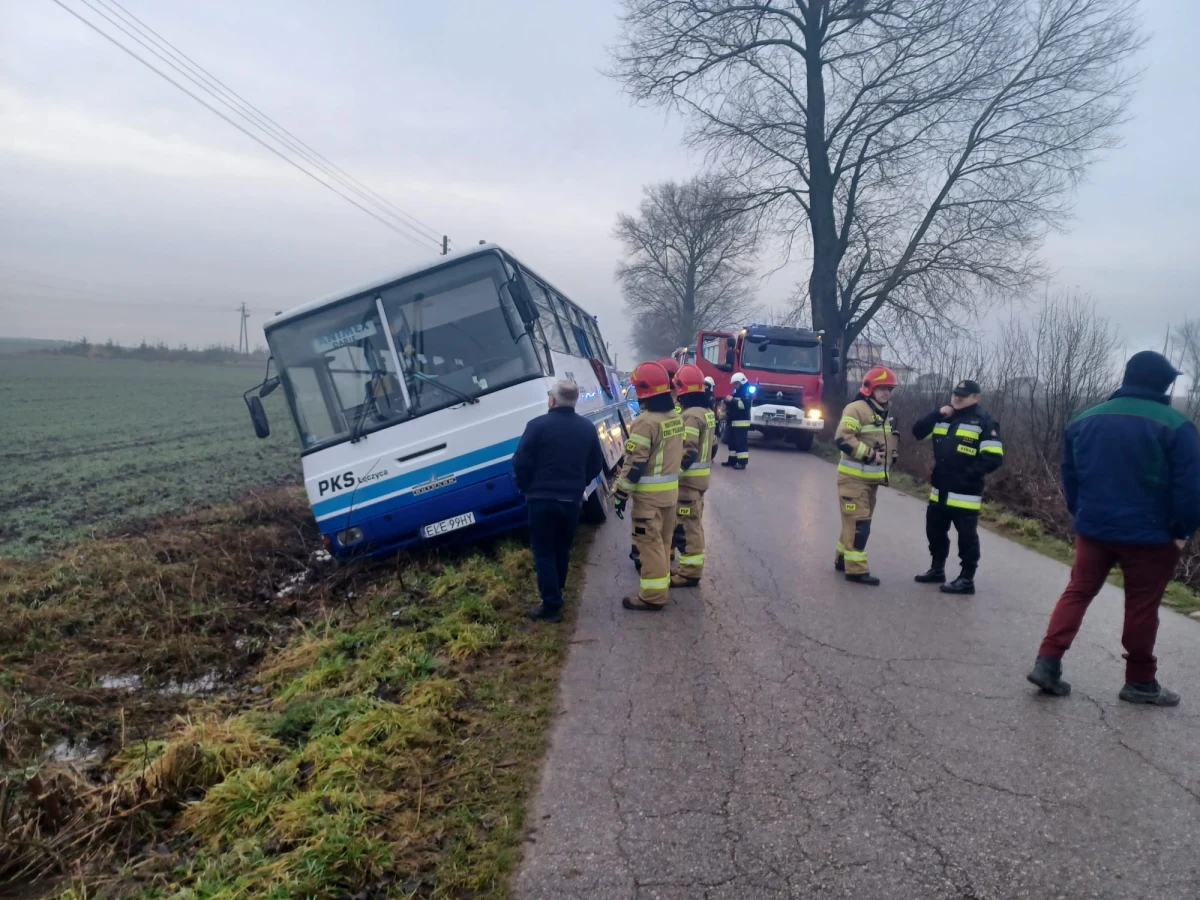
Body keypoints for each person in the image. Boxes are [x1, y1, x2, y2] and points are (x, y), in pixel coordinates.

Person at [1027, 351, 1199, 705]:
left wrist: (1081, 513)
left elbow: (1070, 475)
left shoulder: (1083, 419)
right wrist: (1182, 530)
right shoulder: (1176, 425)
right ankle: (1139, 682)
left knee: (1078, 591)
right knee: (1141, 606)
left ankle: (1048, 662)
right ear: (1164, 383)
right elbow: (1190, 487)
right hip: (1151, 535)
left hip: (1093, 528)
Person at [511, 379, 605, 623]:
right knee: (562, 548)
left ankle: (551, 605)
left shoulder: (536, 426)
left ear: (551, 400)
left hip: (540, 499)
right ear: (573, 400)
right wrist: (579, 483)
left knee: (543, 550)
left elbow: (520, 461)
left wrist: (525, 485)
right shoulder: (587, 428)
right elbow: (596, 464)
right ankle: (557, 591)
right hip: (570, 500)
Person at [911, 379, 1004, 595]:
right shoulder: (944, 418)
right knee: (934, 531)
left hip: (965, 493)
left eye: (964, 395)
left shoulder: (984, 422)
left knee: (967, 537)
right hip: (940, 489)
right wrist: (937, 413)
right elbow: (918, 432)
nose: (958, 397)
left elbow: (993, 458)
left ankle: (966, 579)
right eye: (956, 394)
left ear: (976, 398)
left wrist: (966, 476)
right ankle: (937, 569)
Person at [613, 361, 684, 611]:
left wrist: (621, 493)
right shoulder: (675, 417)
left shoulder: (645, 422)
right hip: (669, 495)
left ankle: (652, 597)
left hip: (649, 500)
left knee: (649, 545)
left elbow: (635, 463)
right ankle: (660, 585)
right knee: (663, 543)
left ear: (644, 391)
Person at [833, 366, 899, 585]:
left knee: (854, 522)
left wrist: (892, 454)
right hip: (853, 479)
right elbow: (843, 438)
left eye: (889, 389)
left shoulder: (885, 413)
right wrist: (870, 455)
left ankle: (843, 558)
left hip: (871, 481)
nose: (886, 393)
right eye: (882, 388)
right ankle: (856, 570)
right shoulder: (856, 409)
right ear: (869, 388)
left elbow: (887, 440)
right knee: (859, 524)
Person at [671, 364, 717, 587]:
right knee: (694, 524)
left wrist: (672, 474)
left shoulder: (690, 416)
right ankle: (689, 569)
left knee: (688, 527)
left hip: (687, 482)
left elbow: (687, 451)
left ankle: (689, 572)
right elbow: (713, 446)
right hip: (700, 481)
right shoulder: (707, 413)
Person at [721, 372, 752, 469]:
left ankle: (742, 462)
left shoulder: (746, 392)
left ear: (741, 382)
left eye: (736, 383)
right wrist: (727, 401)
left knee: (741, 443)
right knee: (732, 443)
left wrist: (731, 400)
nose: (735, 386)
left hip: (741, 423)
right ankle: (732, 461)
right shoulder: (737, 391)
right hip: (733, 422)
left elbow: (743, 405)